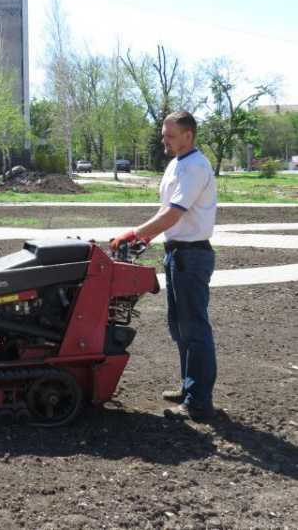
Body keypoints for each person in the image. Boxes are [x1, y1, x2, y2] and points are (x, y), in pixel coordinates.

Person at [110, 110, 218, 421]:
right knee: (179, 326)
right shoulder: (176, 165)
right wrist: (146, 240)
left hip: (193, 255)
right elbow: (166, 212)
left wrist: (134, 233)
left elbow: (174, 214)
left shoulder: (196, 166)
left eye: (170, 135)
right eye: (162, 134)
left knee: (195, 328)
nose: (163, 140)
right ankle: (189, 387)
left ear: (189, 135)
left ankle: (199, 402)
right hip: (177, 253)